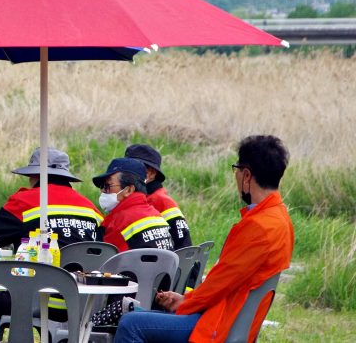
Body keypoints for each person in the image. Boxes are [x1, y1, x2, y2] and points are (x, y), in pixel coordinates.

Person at [114, 135, 295, 343]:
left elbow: (220, 283)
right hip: (230, 318)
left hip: (219, 322)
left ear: (246, 175)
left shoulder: (259, 227)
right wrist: (186, 298)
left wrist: (184, 303)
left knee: (131, 323)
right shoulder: (280, 219)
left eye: (236, 170)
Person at [0, 147, 104, 319]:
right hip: (84, 304)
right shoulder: (91, 209)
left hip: (37, 298)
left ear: (35, 176)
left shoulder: (28, 201)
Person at [93, 157, 174, 252]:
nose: (103, 190)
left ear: (128, 190)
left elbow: (101, 259)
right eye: (102, 186)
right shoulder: (156, 215)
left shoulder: (116, 222)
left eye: (107, 186)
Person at [125, 144, 192, 250]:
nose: (125, 173)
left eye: (134, 168)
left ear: (151, 173)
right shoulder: (159, 197)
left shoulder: (154, 201)